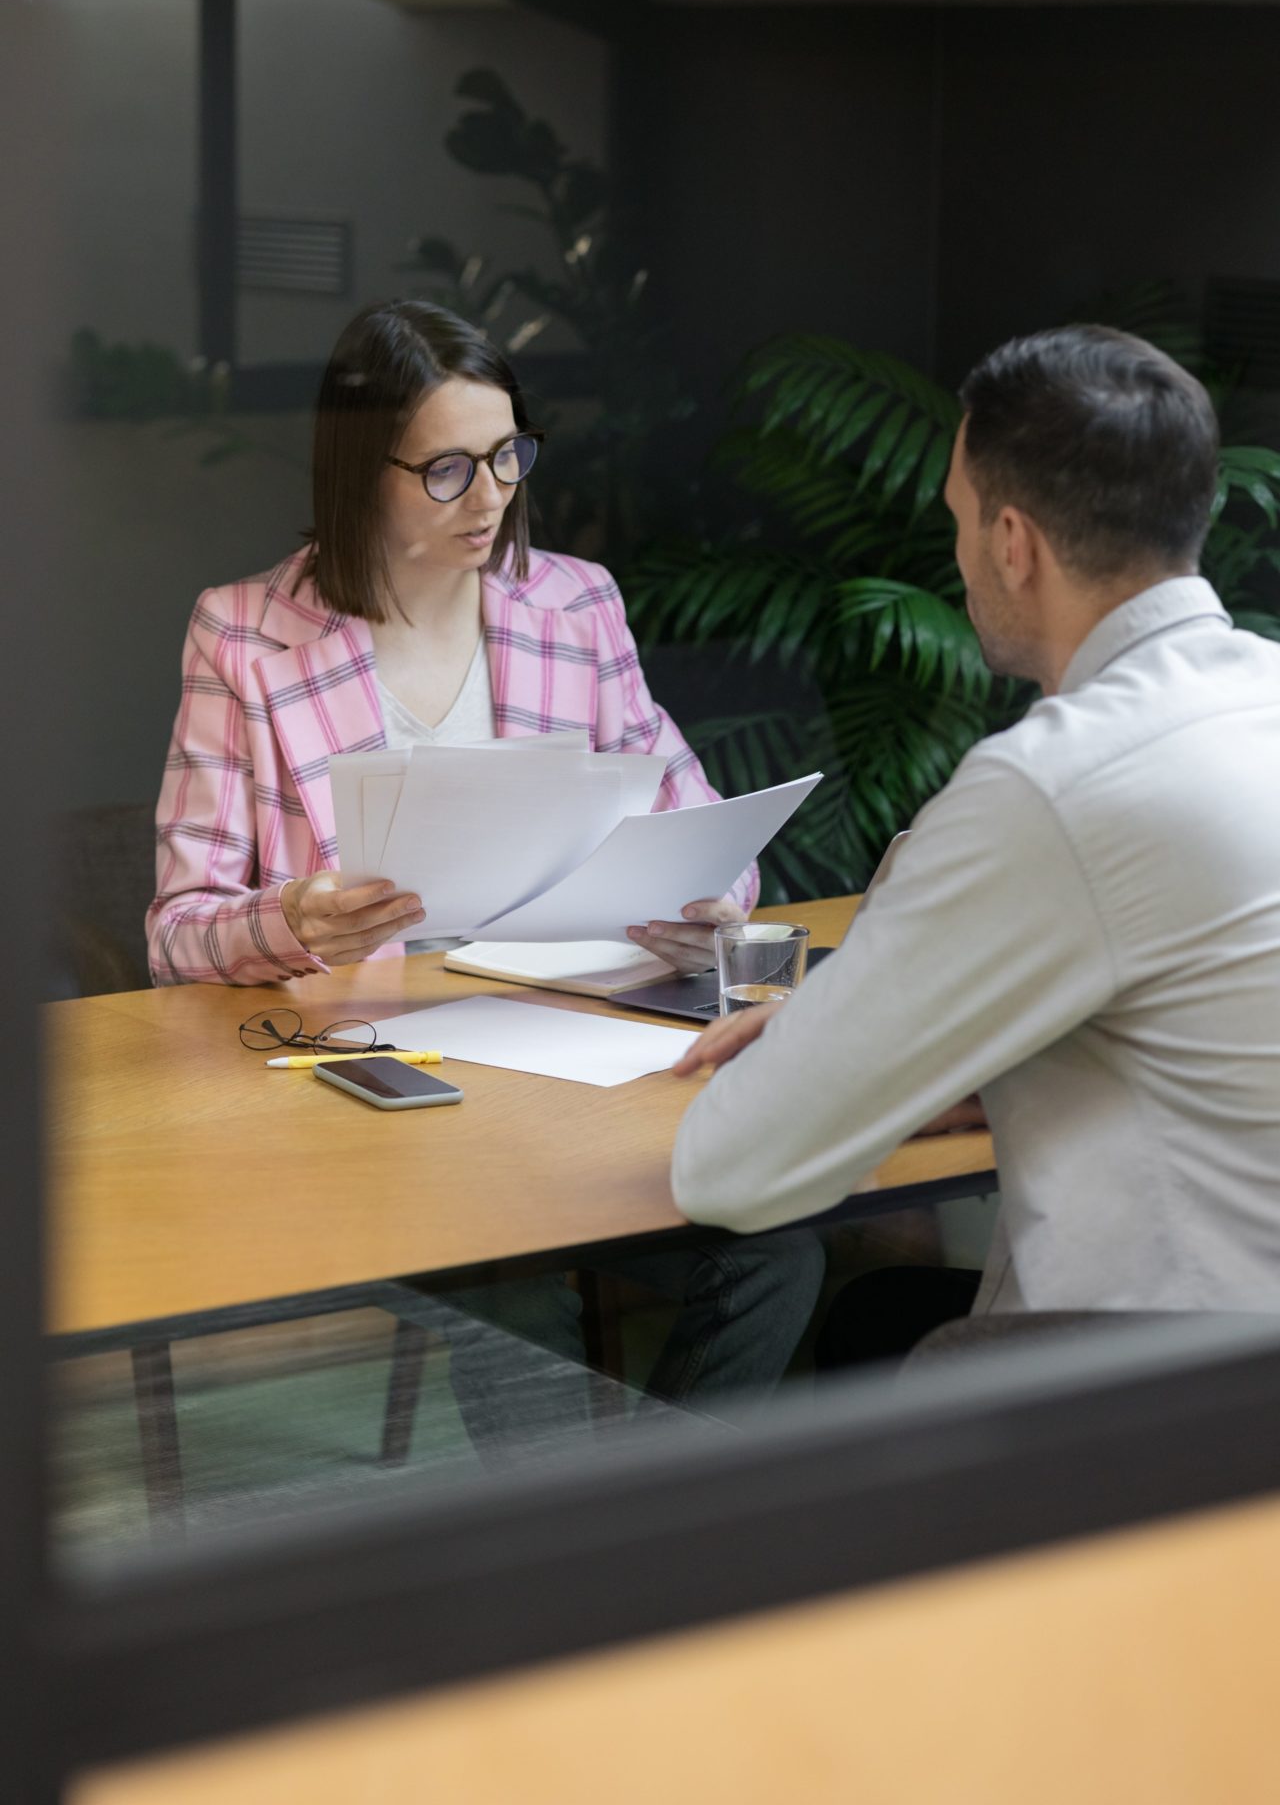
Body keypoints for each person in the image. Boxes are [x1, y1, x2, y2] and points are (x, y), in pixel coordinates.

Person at [148, 299, 823, 1437]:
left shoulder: (572, 603)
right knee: (515, 1277)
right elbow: (179, 933)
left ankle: (617, 1558)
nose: (495, 494)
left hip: (578, 1047)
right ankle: (617, 1572)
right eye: (450, 470)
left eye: (509, 455)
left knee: (777, 1247)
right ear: (365, 471)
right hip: (387, 1082)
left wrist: (710, 897)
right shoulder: (247, 636)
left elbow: (694, 815)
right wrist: (298, 919)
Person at [671, 324, 1280, 1361]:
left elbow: (728, 1170)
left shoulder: (1054, 783)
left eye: (954, 520)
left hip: (1176, 1406)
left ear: (1010, 542)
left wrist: (854, 1050)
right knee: (874, 1322)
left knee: (879, 1350)